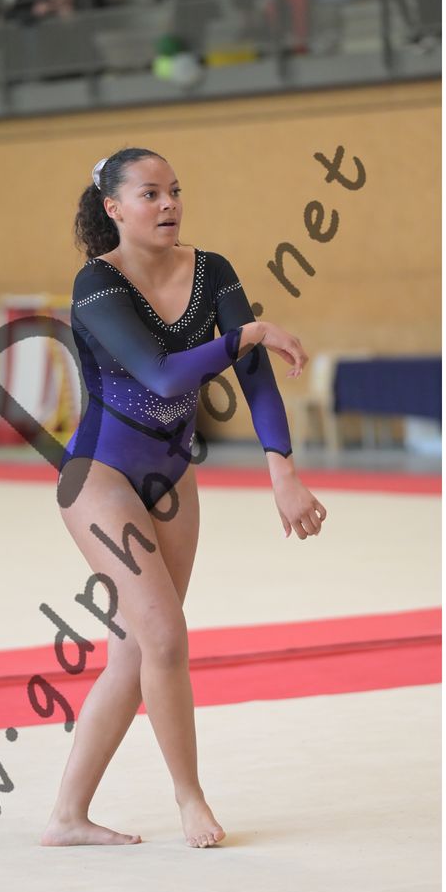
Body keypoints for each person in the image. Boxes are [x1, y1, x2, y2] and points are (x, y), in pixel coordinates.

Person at [48, 147, 327, 850]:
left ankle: (67, 817)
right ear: (114, 208)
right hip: (99, 476)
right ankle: (190, 797)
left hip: (172, 475)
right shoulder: (96, 283)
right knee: (165, 637)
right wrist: (250, 332)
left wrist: (282, 470)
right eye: (150, 194)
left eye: (174, 190)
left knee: (135, 649)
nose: (169, 203)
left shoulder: (213, 270)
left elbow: (254, 375)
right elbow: (161, 374)